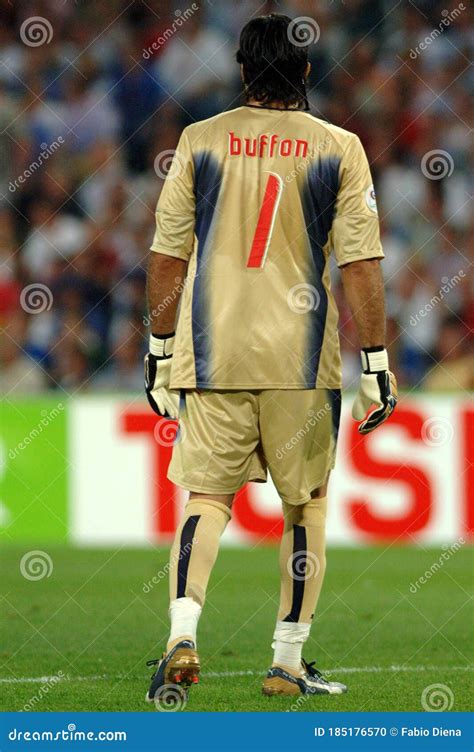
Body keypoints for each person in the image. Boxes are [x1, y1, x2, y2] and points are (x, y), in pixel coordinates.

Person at [144, 13, 397, 703]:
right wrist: (376, 360)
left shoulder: (199, 141)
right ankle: (287, 661)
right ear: (307, 72)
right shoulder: (339, 147)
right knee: (305, 502)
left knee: (206, 497)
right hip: (300, 359)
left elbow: (167, 258)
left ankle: (181, 632)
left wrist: (160, 347)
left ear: (241, 70)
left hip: (212, 350)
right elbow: (361, 265)